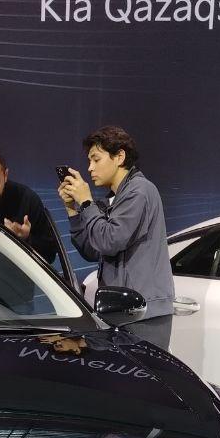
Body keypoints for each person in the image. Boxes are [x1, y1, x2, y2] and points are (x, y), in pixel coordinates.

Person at [58, 125, 175, 348]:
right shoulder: (114, 200)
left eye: (96, 159)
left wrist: (86, 202)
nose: (90, 168)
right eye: (89, 161)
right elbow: (92, 250)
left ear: (119, 157)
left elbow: (109, 241)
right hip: (120, 311)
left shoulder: (140, 191)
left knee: (141, 370)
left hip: (142, 313)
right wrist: (72, 209)